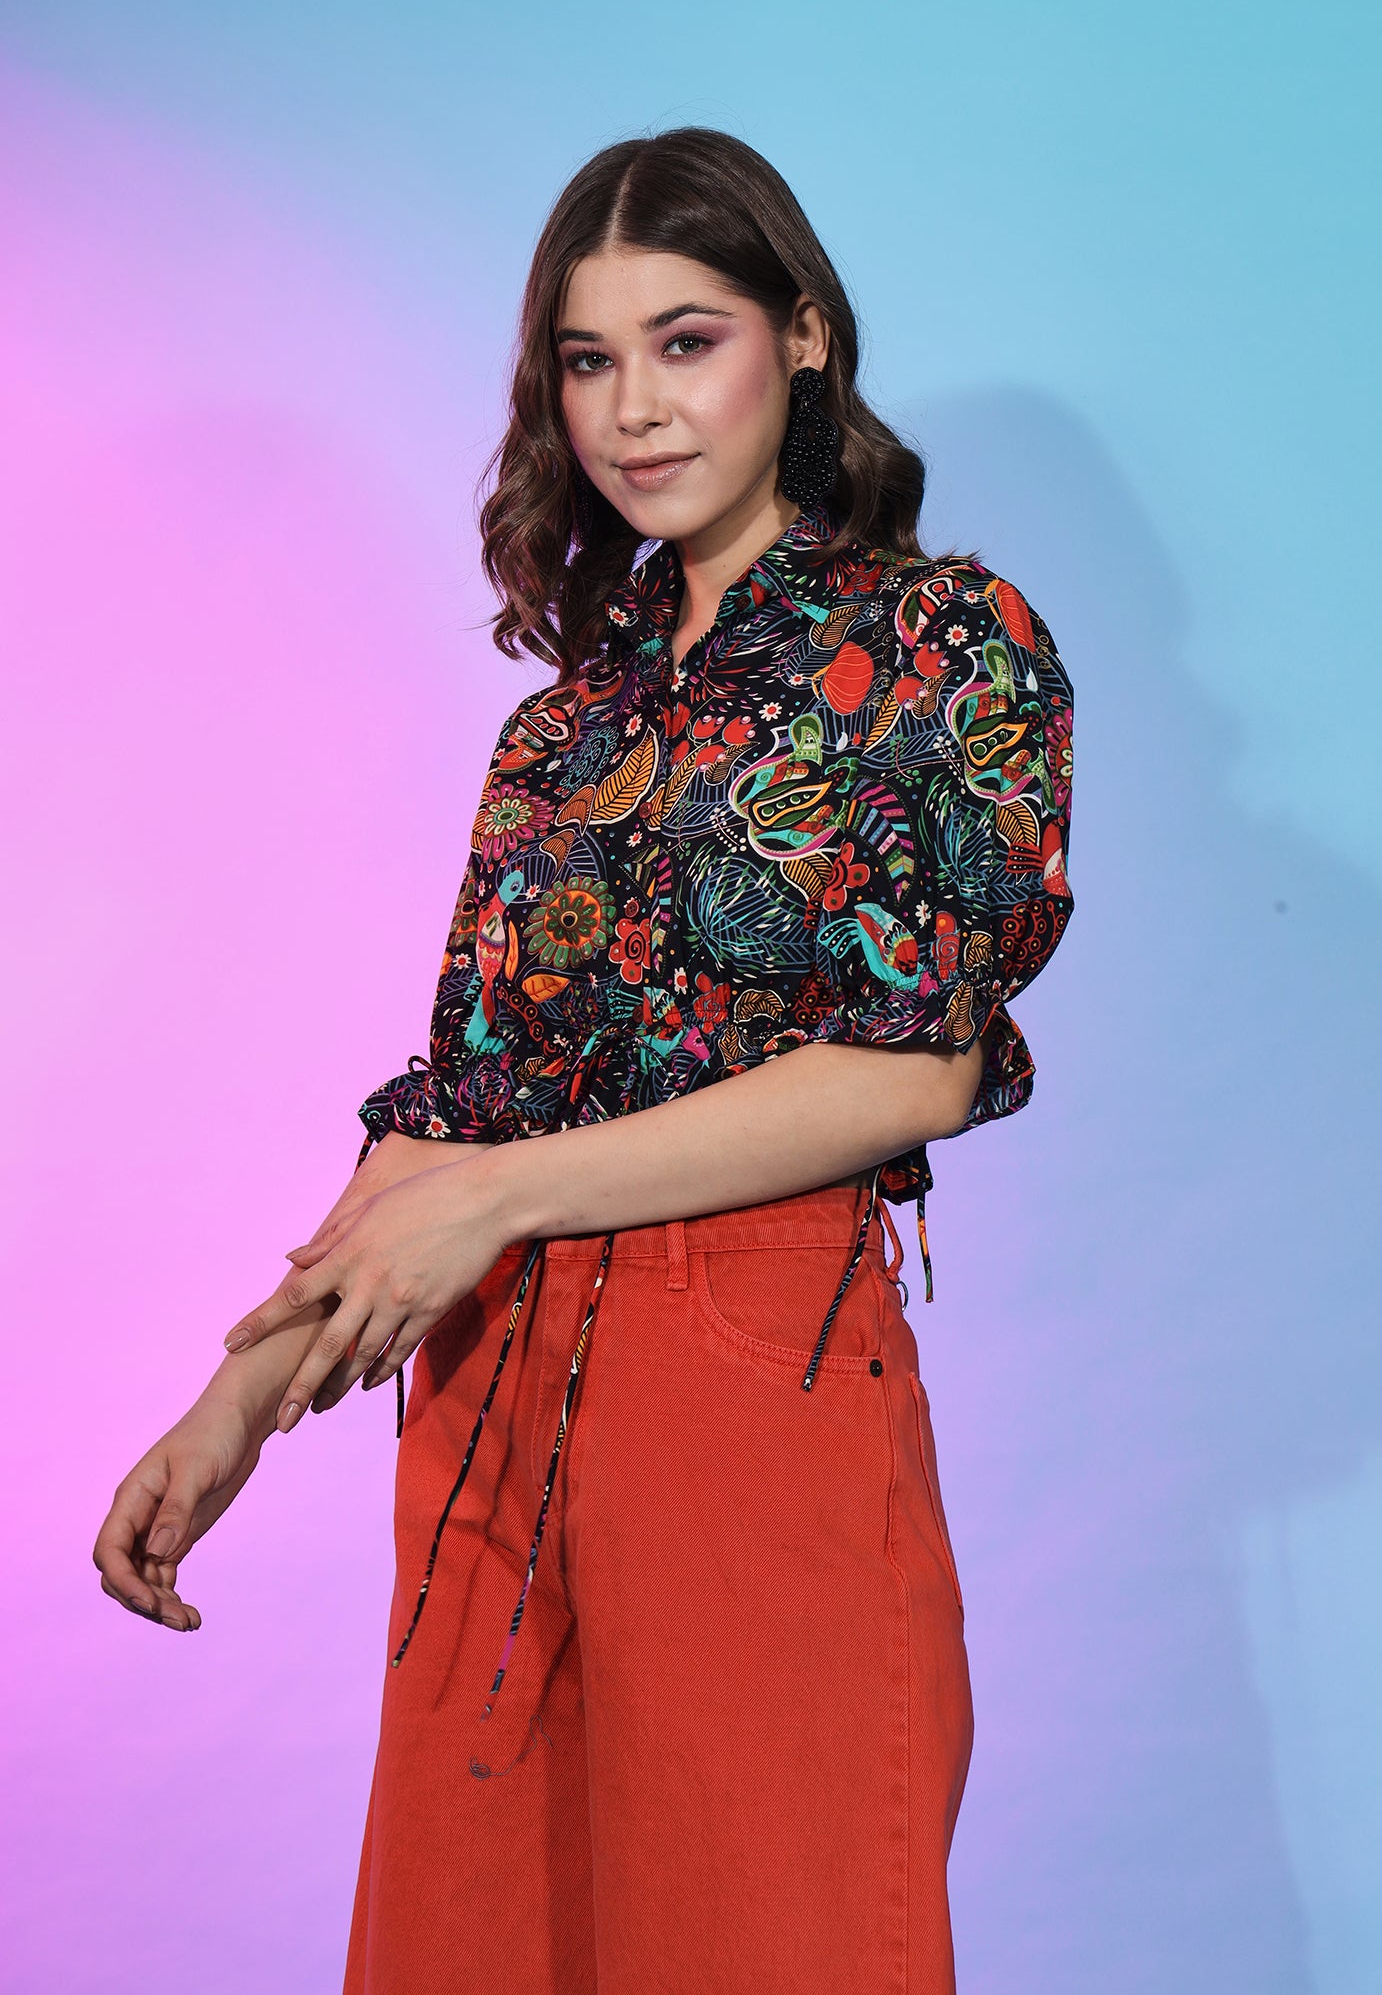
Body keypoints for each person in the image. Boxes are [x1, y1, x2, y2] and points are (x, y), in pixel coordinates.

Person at [94, 127, 1075, 1993]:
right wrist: (242, 1394)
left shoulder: (940, 644)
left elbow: (912, 1069)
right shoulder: (565, 730)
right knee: (480, 1946)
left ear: (801, 337)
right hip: (487, 1382)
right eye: (587, 359)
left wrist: (502, 1199)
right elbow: (460, 1109)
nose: (634, 408)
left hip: (748, 1369)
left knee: (771, 1940)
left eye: (685, 341)